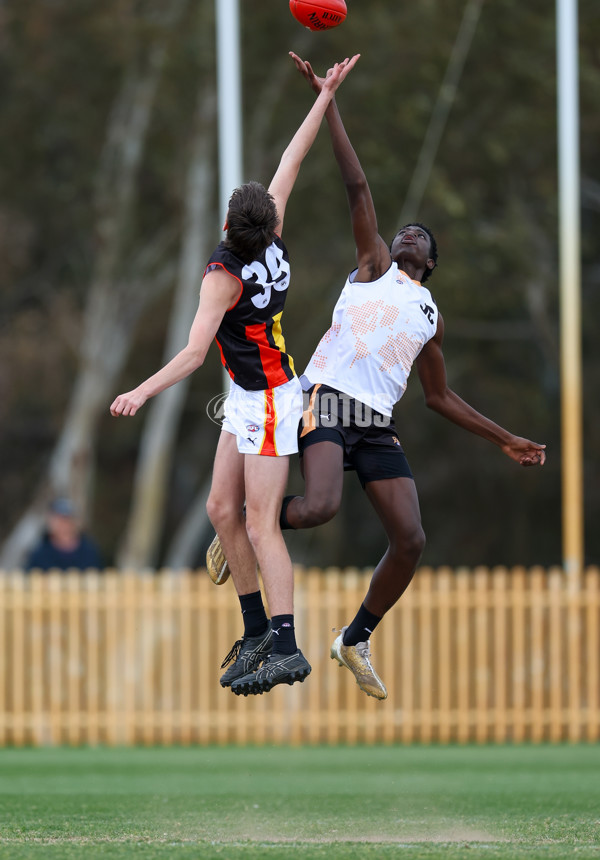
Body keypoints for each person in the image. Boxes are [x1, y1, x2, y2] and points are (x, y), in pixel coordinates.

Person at [208, 53, 546, 701]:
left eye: (419, 235)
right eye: (404, 231)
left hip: (374, 423)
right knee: (323, 506)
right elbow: (357, 188)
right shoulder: (372, 266)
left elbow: (440, 396)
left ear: (431, 261)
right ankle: (250, 528)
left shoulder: (430, 317)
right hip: (325, 401)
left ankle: (354, 637)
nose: (408, 233)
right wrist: (329, 101)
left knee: (412, 538)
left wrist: (503, 438)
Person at [110, 54, 359, 697]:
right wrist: (325, 94)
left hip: (275, 397)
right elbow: (292, 161)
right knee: (222, 509)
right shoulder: (267, 235)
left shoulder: (225, 270)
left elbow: (194, 354)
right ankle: (255, 631)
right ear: (267, 225)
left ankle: (287, 643)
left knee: (257, 522)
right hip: (248, 395)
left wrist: (140, 391)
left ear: (230, 224)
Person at [26, 498, 103, 571]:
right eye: (58, 519)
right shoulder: (40, 553)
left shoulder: (89, 552)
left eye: (66, 519)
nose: (62, 524)